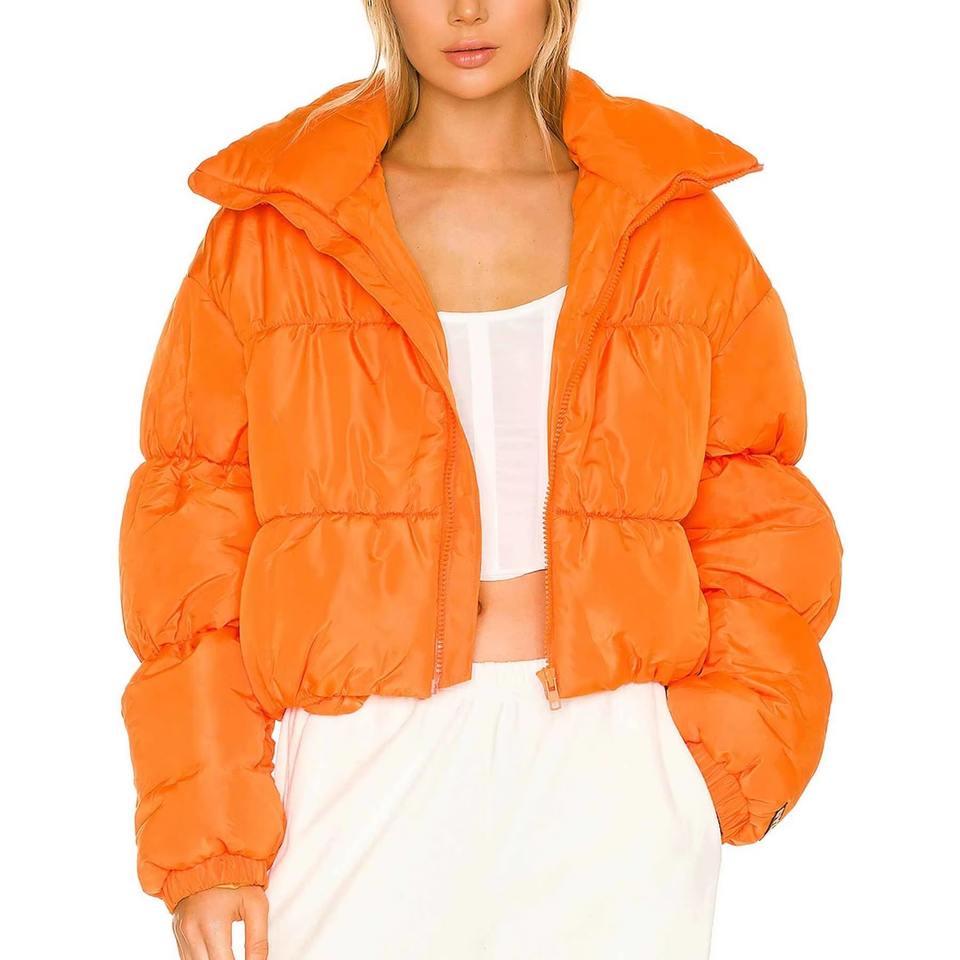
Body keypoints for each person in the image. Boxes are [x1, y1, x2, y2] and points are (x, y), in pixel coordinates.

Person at [118, 1, 843, 957]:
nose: (466, 10)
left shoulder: (672, 224)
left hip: (616, 770)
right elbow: (190, 556)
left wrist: (710, 766)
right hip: (357, 764)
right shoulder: (275, 230)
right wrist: (212, 848)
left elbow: (755, 511)